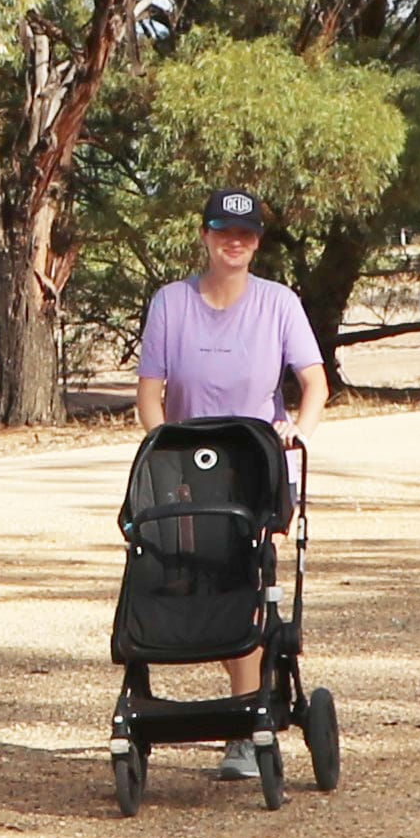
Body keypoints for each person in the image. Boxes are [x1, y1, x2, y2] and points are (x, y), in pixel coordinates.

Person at [134, 185, 329, 781]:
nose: (235, 242)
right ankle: (249, 696)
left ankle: (246, 726)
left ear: (258, 241)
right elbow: (150, 393)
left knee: (246, 581)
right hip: (188, 473)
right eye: (223, 231)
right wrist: (162, 451)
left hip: (256, 467)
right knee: (196, 586)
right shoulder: (171, 302)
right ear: (205, 236)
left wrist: (296, 431)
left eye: (246, 233)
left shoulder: (279, 304)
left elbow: (314, 383)